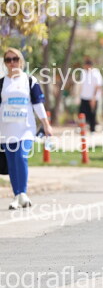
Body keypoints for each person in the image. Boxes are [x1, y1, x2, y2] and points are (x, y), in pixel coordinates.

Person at [0, 48, 53, 210]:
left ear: (21, 61)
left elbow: (38, 104)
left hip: (26, 129)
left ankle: (23, 193)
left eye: (15, 59)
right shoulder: (2, 83)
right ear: (5, 63)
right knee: (12, 163)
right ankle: (17, 196)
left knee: (21, 156)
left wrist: (46, 124)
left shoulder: (29, 80)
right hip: (6, 130)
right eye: (8, 60)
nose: (12, 63)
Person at [79, 58, 103, 133]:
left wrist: (93, 97)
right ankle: (83, 128)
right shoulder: (83, 73)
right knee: (82, 113)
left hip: (93, 98)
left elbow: (98, 86)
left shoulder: (96, 73)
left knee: (92, 114)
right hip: (84, 96)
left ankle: (92, 129)